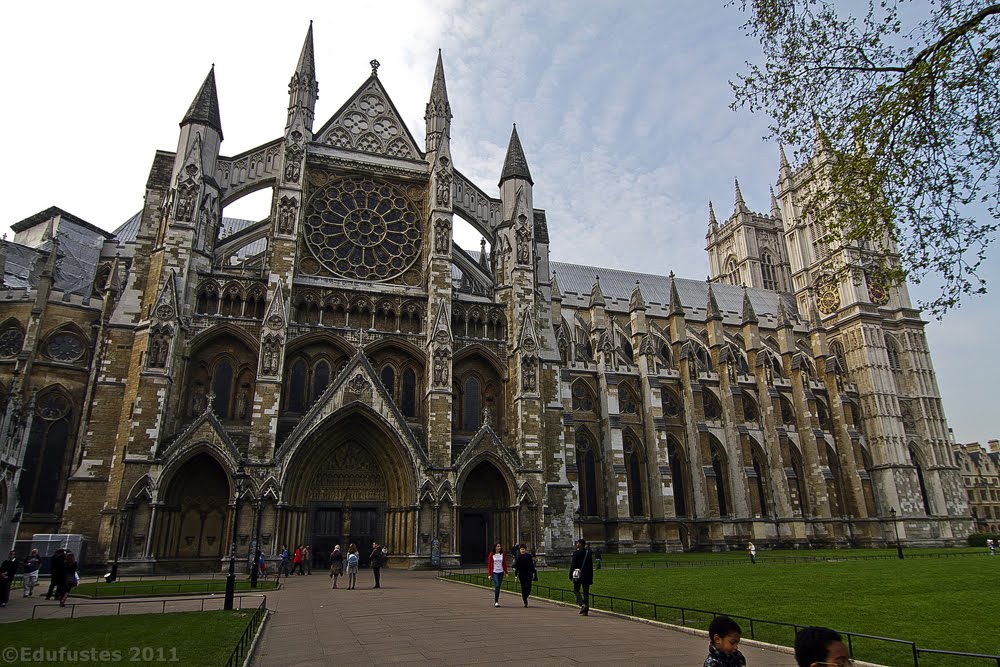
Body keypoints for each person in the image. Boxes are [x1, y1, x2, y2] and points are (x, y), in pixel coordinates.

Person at [569, 537, 594, 615]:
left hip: (578, 575)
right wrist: (591, 576)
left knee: (576, 590)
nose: (576, 544)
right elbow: (591, 566)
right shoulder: (588, 553)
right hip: (587, 575)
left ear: (580, 544)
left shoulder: (576, 553)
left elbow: (573, 565)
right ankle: (586, 611)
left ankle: (582, 604)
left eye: (577, 543)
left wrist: (570, 574)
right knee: (586, 592)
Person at [486, 542, 507, 607]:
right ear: (495, 547)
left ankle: (497, 600)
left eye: (500, 546)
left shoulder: (502, 554)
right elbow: (489, 565)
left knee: (498, 587)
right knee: (497, 585)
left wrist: (506, 572)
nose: (499, 547)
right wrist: (489, 574)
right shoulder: (491, 554)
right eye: (497, 546)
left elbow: (504, 564)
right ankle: (496, 601)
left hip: (501, 572)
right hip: (494, 572)